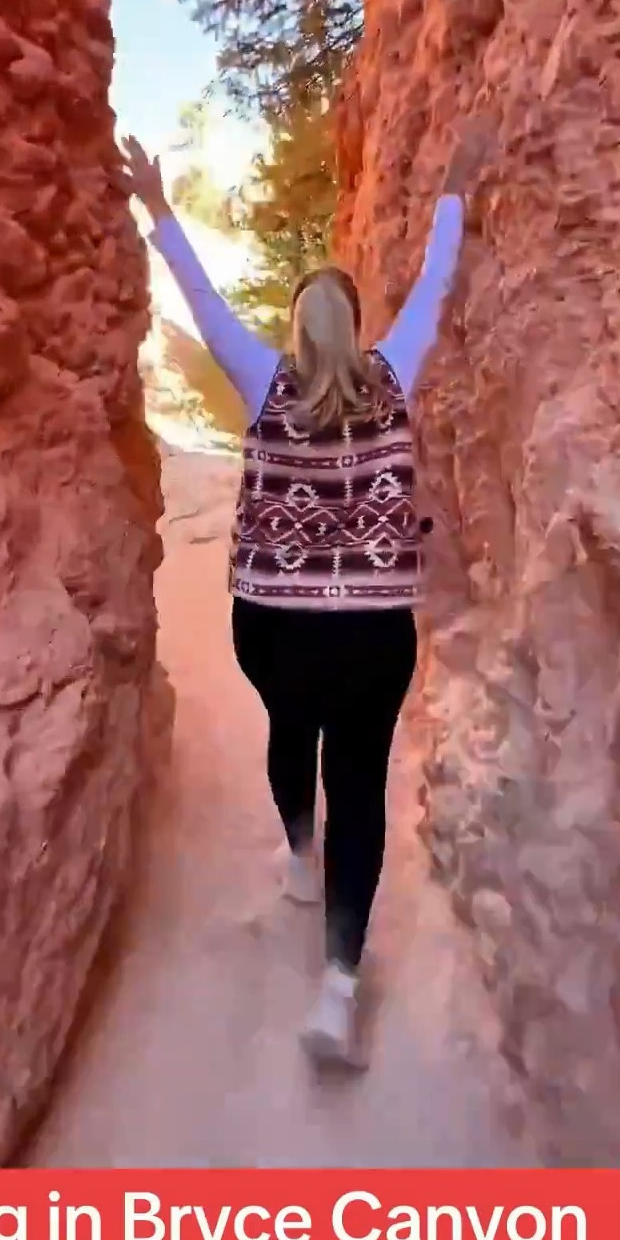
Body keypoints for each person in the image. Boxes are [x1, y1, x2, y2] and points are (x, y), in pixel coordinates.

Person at [119, 122, 494, 1066]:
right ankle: (338, 987)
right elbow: (436, 286)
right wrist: (452, 190)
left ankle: (297, 853)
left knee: (292, 731)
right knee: (358, 783)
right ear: (358, 327)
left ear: (294, 328)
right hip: (372, 633)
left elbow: (201, 299)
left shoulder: (264, 380)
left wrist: (158, 205)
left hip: (275, 627)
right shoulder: (393, 373)